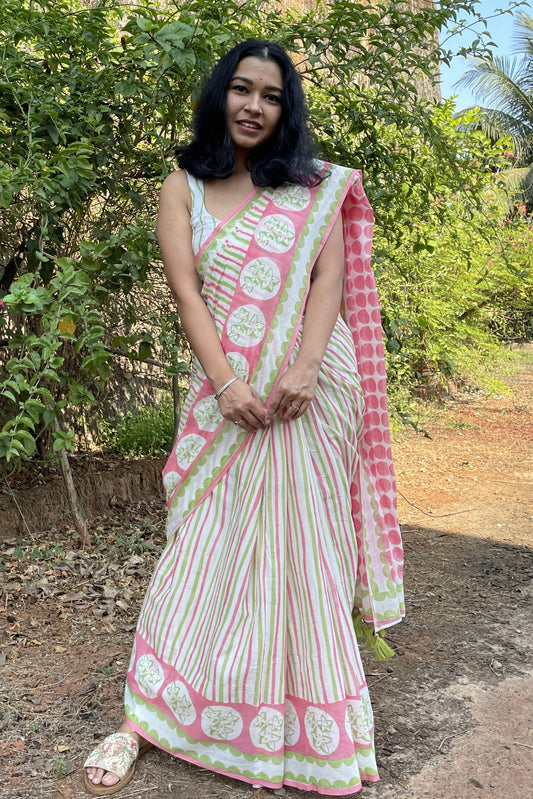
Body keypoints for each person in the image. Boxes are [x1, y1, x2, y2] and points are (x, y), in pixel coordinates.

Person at [84, 40, 404, 797]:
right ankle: (146, 715)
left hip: (310, 394)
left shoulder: (311, 188)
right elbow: (187, 295)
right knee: (197, 548)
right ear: (218, 97)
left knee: (305, 558)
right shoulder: (182, 187)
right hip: (223, 399)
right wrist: (225, 383)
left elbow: (328, 277)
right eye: (241, 89)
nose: (254, 106)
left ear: (285, 109)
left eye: (270, 95)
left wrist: (302, 365)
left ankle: (302, 730)